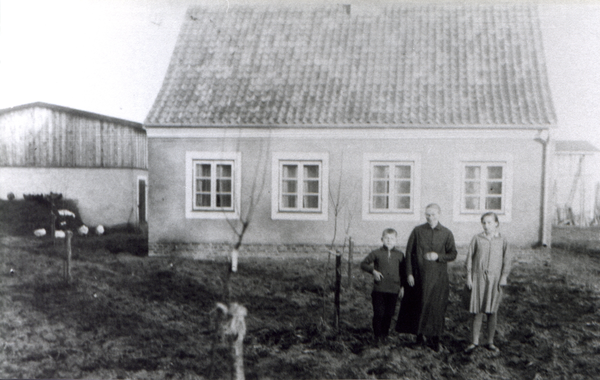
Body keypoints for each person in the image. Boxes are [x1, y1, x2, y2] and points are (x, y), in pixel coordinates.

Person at [395, 203, 457, 352]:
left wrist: (439, 256)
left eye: (433, 214)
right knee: (419, 306)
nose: (430, 217)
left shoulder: (446, 233)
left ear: (439, 214)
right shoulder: (417, 231)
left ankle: (435, 339)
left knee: (436, 307)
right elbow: (409, 253)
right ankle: (419, 338)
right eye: (427, 214)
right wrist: (409, 273)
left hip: (438, 278)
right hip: (419, 277)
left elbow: (453, 254)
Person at [464, 212, 512, 353]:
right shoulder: (477, 239)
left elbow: (507, 260)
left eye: (489, 222)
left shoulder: (502, 240)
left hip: (495, 280)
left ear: (496, 223)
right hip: (479, 278)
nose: (486, 225)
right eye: (484, 222)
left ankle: (490, 342)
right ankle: (474, 342)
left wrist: (504, 276)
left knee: (492, 311)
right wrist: (469, 276)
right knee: (477, 310)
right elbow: (469, 259)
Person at [361, 228, 406, 346]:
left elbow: (403, 272)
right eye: (386, 238)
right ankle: (377, 337)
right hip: (379, 289)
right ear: (382, 239)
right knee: (379, 313)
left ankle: (384, 336)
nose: (389, 241)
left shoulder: (400, 255)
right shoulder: (376, 253)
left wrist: (402, 287)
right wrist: (373, 271)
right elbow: (363, 264)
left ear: (396, 240)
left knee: (389, 314)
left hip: (394, 290)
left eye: (392, 238)